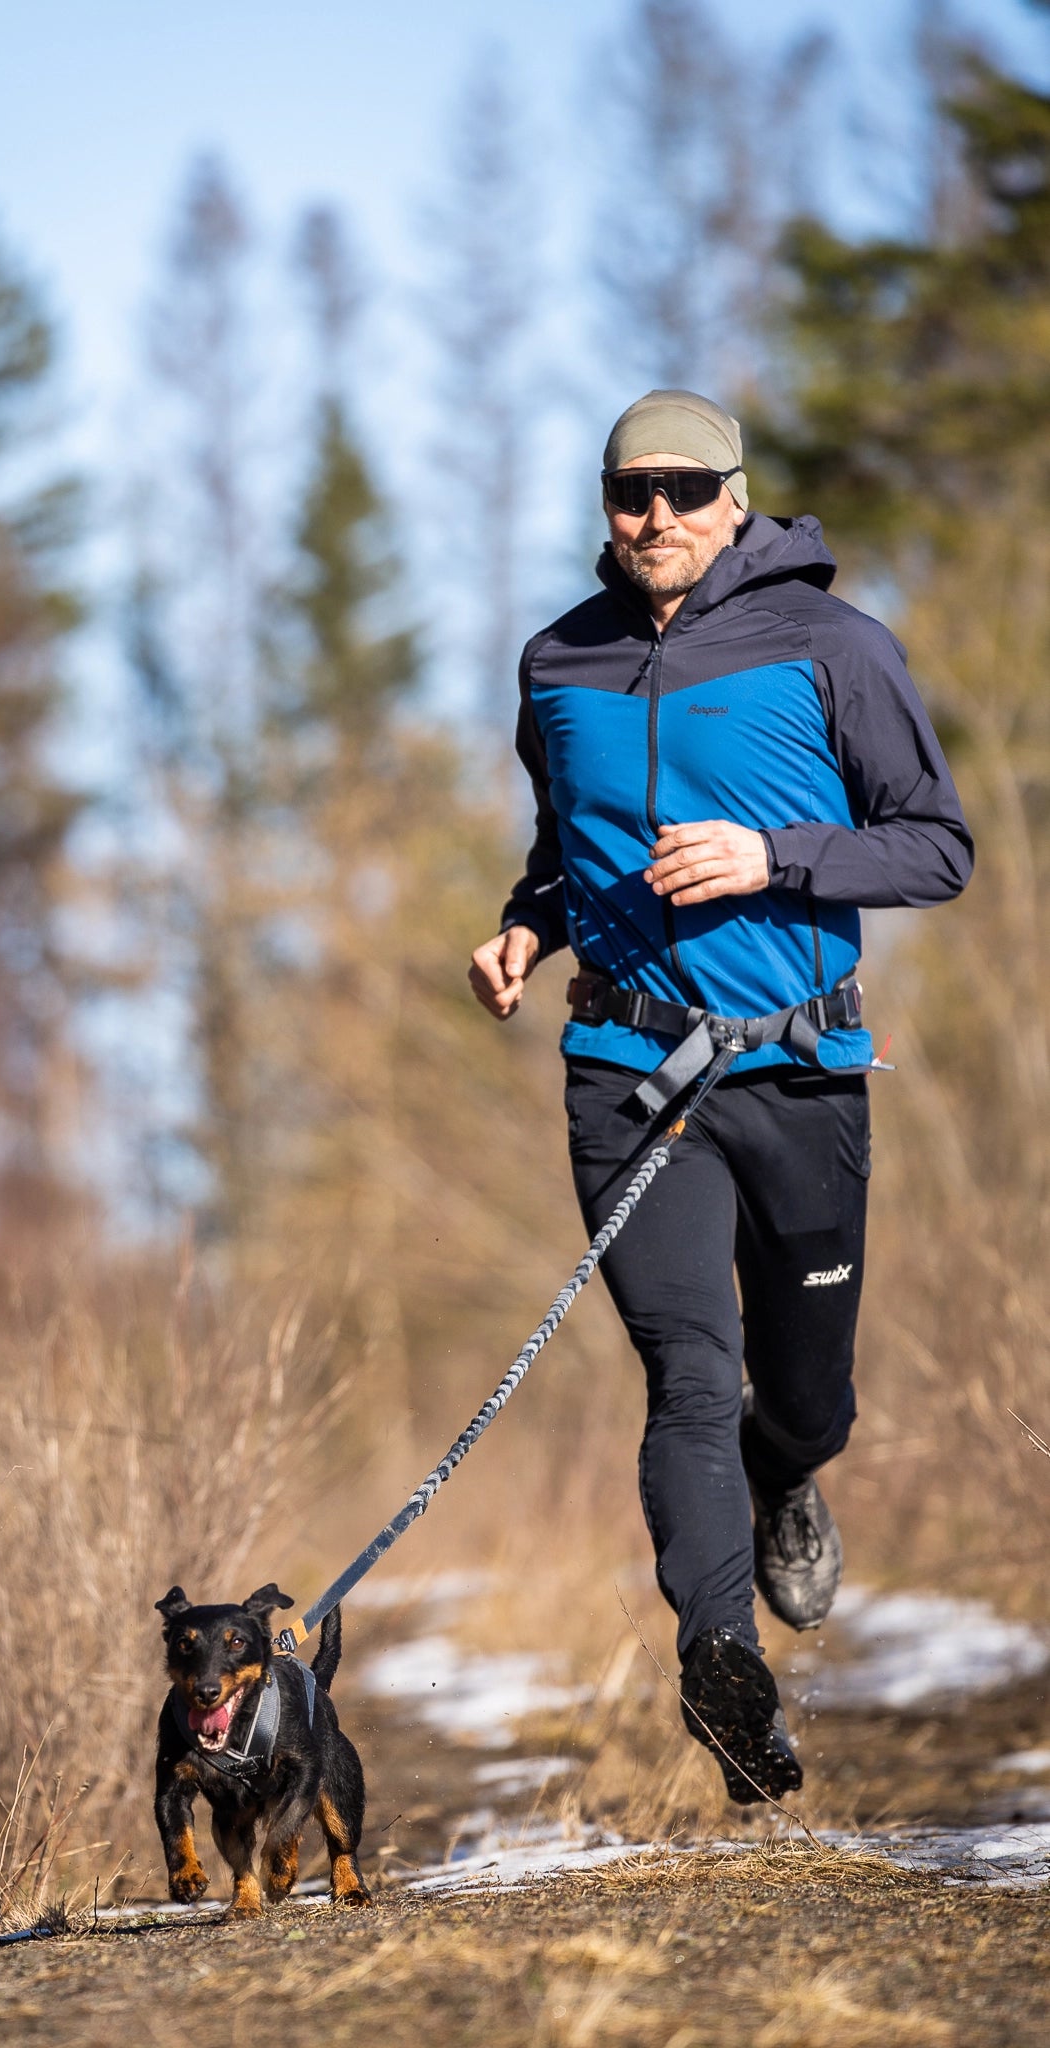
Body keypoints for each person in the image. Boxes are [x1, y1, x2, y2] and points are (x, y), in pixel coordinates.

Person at [469, 390, 973, 1804]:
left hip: (800, 1067)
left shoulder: (831, 645)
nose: (659, 517)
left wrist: (774, 859)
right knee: (687, 1371)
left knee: (802, 1397)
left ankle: (789, 1475)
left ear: (736, 497)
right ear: (606, 505)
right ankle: (719, 1666)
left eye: (688, 490)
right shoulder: (554, 660)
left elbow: (934, 850)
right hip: (628, 1074)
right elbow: (562, 842)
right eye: (634, 493)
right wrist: (527, 925)